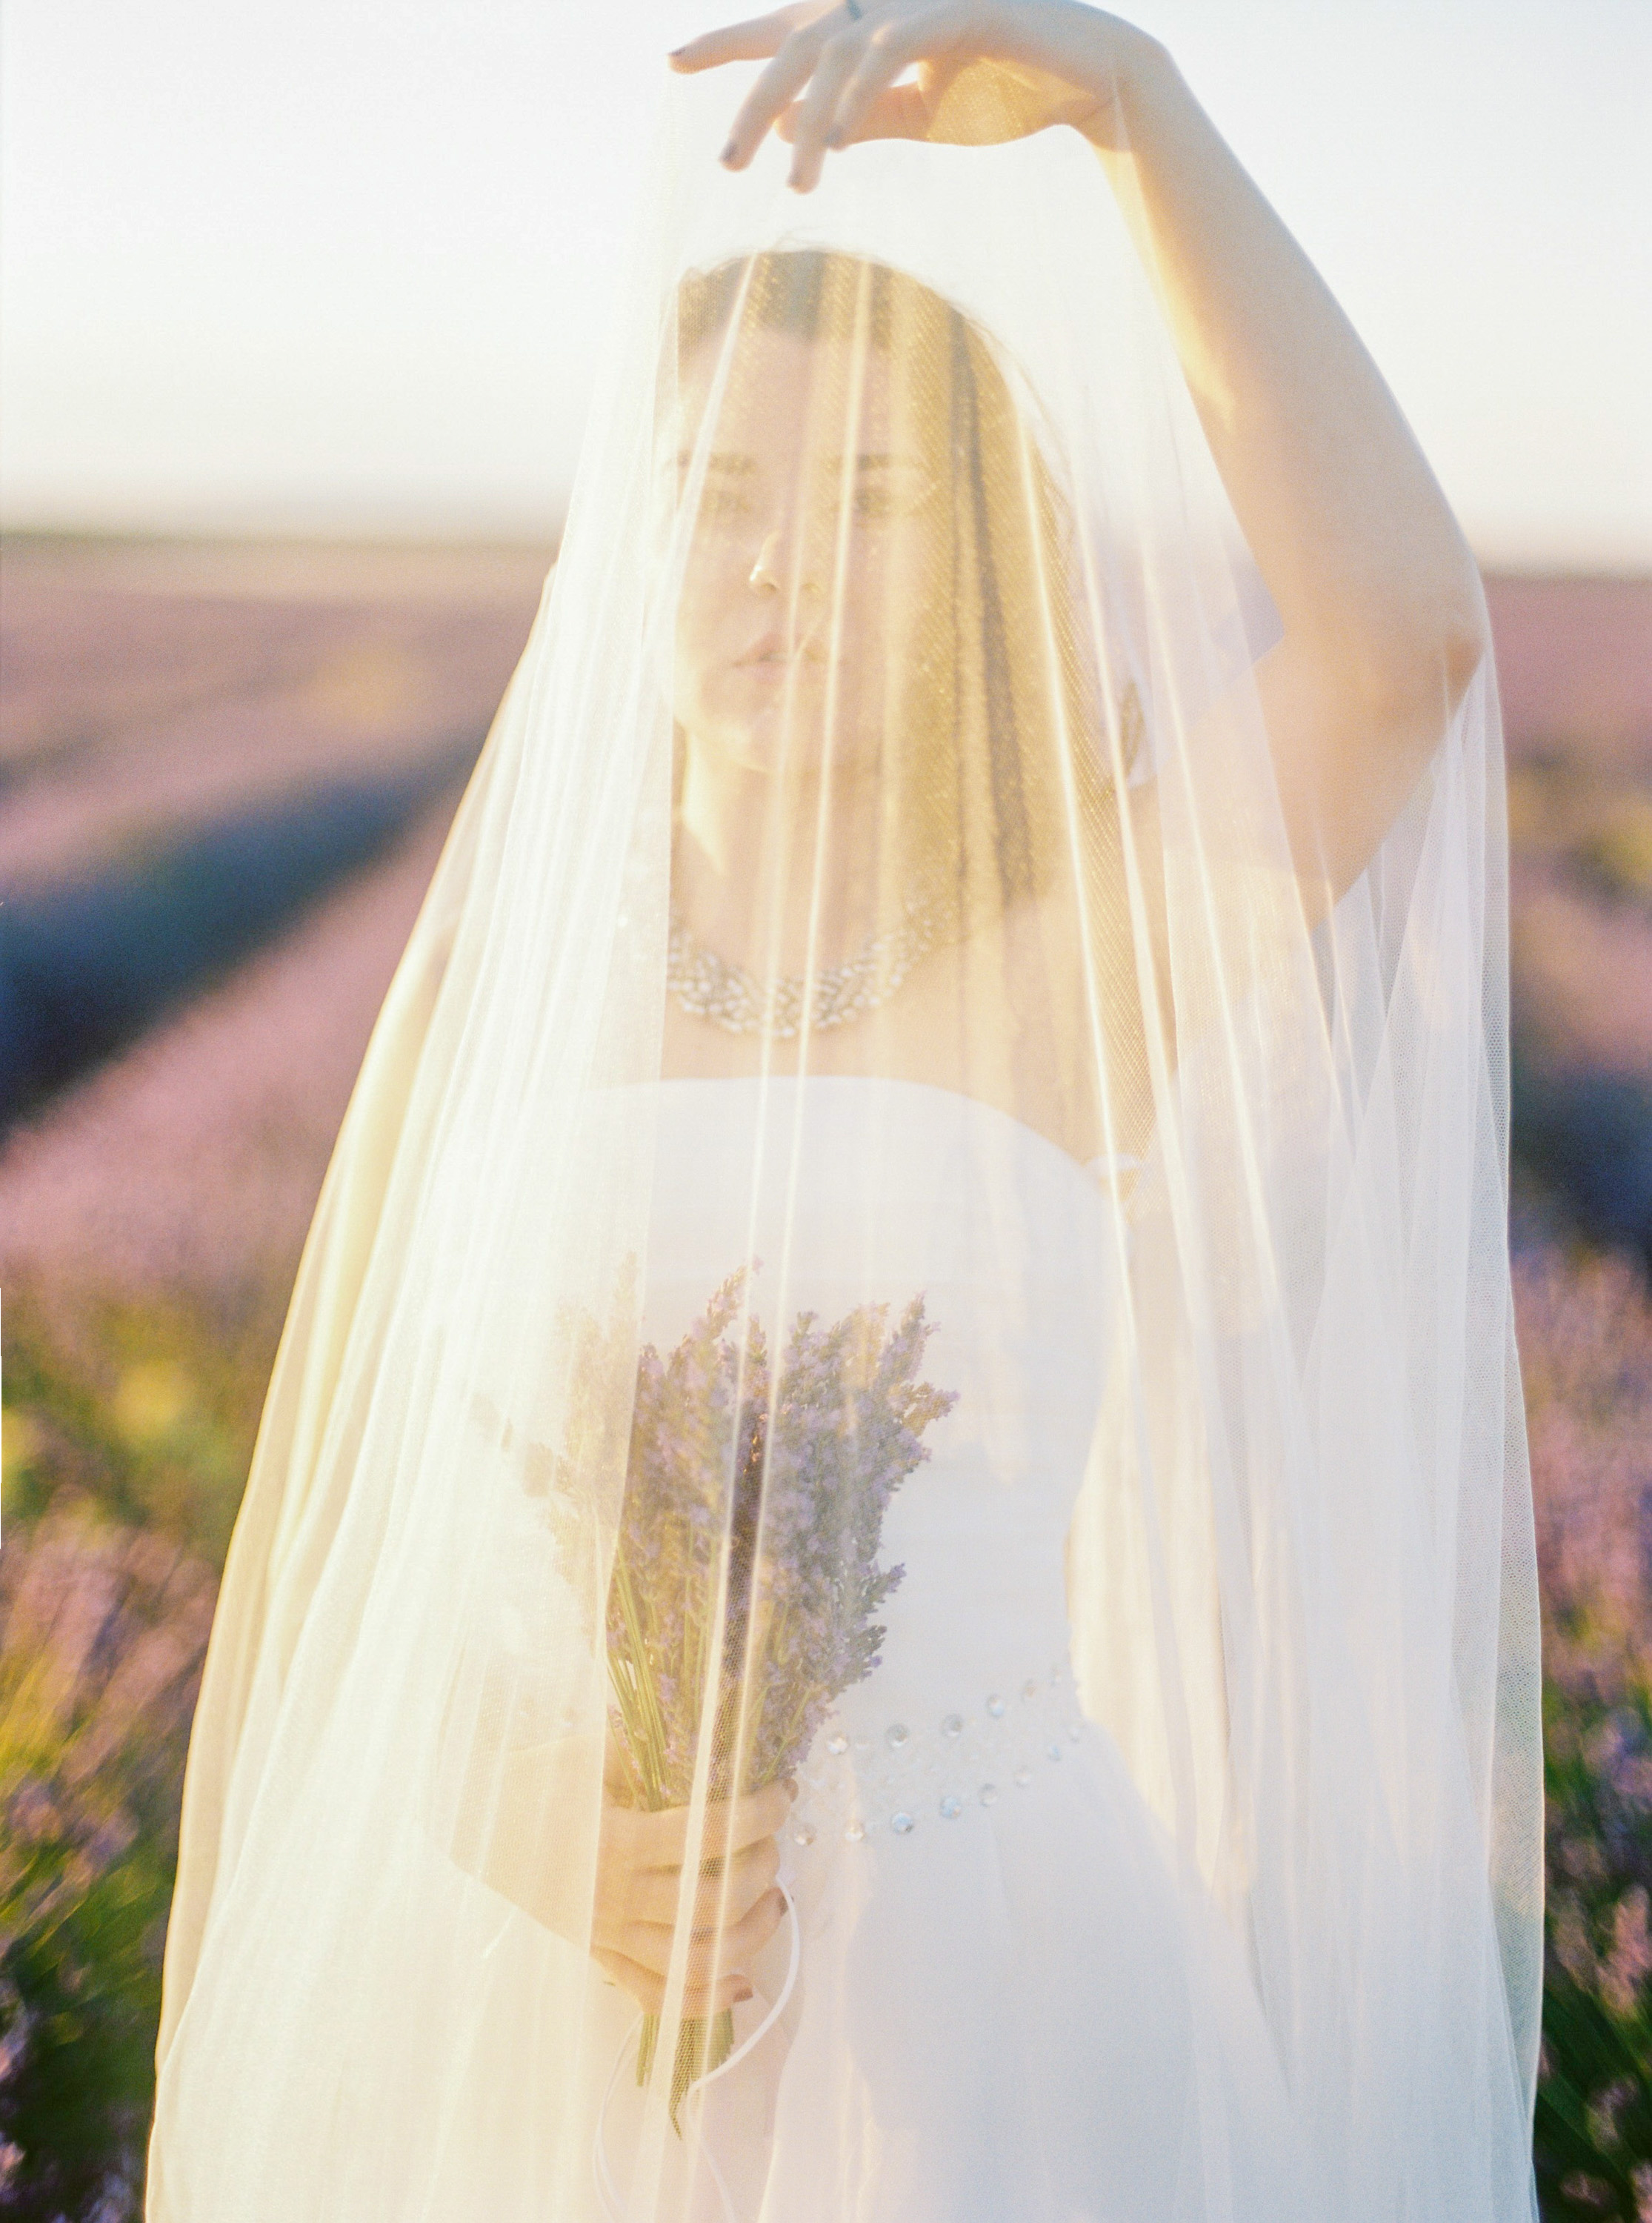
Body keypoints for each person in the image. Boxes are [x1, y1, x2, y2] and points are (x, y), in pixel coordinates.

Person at [147, 8, 1543, 2220]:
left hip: (987, 2014)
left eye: (869, 500)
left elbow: (1397, 640)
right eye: (717, 497)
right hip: (522, 2010)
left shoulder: (1079, 968)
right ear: (628, 547)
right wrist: (503, 1802)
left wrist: (1132, 112)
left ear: (970, 566)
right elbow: (391, 1549)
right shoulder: (506, 1006)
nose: (778, 565)